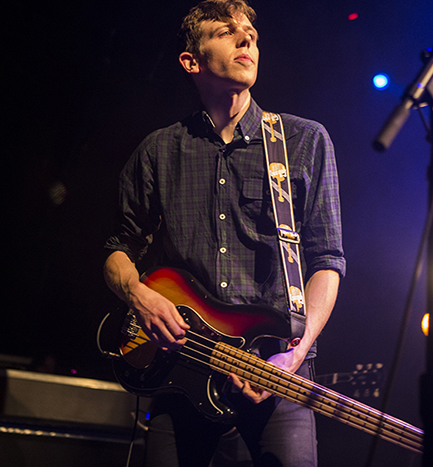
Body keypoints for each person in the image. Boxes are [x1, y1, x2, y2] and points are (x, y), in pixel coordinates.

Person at [102, 1, 345, 465]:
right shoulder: (158, 151)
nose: (246, 38)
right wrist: (139, 295)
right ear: (191, 61)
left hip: (276, 372)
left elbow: (327, 261)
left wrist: (293, 358)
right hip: (182, 369)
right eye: (226, 31)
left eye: (250, 31)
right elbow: (118, 250)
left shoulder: (304, 141)